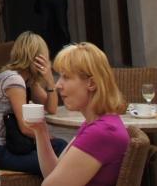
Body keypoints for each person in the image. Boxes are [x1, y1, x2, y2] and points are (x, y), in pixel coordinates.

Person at [29, 42, 129, 186]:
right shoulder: (95, 123)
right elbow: (54, 173)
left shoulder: (101, 132)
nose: (58, 85)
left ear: (91, 84)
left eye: (66, 77)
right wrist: (40, 131)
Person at [0, 31, 65, 174]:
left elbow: (51, 108)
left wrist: (50, 80)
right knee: (54, 164)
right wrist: (48, 138)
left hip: (14, 144)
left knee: (61, 146)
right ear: (36, 58)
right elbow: (25, 128)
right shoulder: (14, 80)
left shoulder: (27, 80)